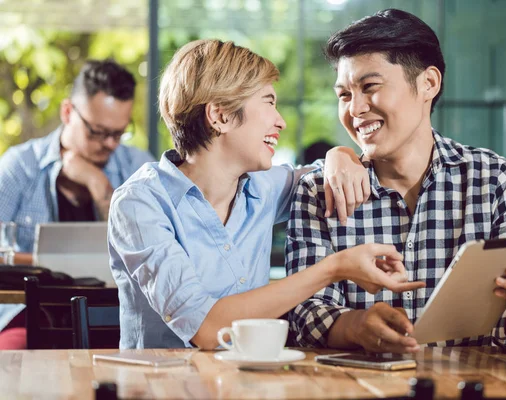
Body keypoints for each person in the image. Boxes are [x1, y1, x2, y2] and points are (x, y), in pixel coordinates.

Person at [107, 39, 424, 349]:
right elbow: (206, 329)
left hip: (247, 382)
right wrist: (335, 268)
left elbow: (325, 171)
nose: (280, 121)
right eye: (269, 102)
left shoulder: (265, 186)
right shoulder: (139, 204)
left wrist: (340, 153)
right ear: (221, 116)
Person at [286, 9, 506, 354]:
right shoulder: (319, 190)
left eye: (369, 87)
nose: (355, 109)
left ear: (428, 84)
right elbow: (307, 314)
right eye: (344, 95)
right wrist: (357, 327)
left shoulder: (498, 183)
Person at [0, 59, 154, 349]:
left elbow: (146, 249)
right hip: (29, 313)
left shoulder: (138, 166)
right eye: (97, 132)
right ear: (68, 112)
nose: (110, 144)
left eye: (119, 133)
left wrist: (100, 186)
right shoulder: (19, 169)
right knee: (12, 360)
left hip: (116, 314)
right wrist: (44, 264)